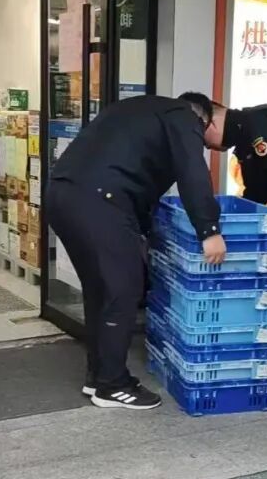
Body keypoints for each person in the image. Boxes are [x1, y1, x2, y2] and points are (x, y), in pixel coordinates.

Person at [47, 93, 227, 410]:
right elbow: (192, 169)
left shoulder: (140, 110)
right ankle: (113, 385)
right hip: (99, 201)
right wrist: (209, 230)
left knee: (101, 290)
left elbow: (136, 178)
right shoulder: (183, 115)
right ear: (204, 119)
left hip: (63, 194)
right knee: (123, 289)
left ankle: (99, 376)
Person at [202, 103, 267, 394]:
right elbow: (255, 190)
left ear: (212, 123)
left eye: (205, 138)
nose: (208, 146)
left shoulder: (257, 126)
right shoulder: (245, 135)